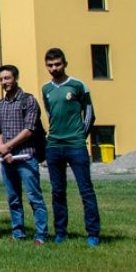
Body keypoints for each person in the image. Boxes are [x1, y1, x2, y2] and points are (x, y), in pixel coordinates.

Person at [42, 48, 101, 246]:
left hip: (76, 146)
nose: (54, 68)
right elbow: (50, 114)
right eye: (50, 65)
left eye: (57, 64)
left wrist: (79, 137)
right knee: (58, 191)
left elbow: (90, 115)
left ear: (65, 63)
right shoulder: (46, 89)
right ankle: (60, 232)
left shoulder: (77, 85)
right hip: (54, 146)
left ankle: (92, 234)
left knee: (86, 190)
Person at [0, 64, 49, 244]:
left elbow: (30, 130)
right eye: (1, 79)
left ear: (15, 78)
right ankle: (18, 233)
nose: (4, 82)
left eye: (7, 78)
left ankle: (41, 234)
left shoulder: (28, 101)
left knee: (35, 198)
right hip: (7, 160)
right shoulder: (0, 104)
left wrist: (7, 147)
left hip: (26, 157)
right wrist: (2, 149)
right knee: (13, 198)